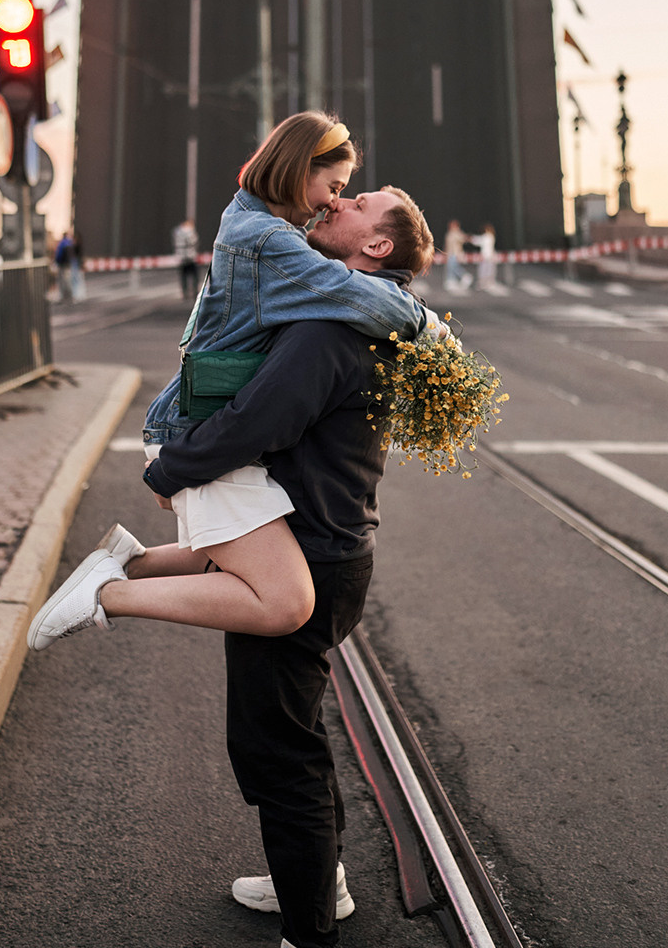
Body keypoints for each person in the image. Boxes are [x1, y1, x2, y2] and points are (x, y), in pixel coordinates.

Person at [56, 184, 438, 948]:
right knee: (287, 738)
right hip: (323, 551)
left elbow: (255, 421)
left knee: (282, 756)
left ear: (374, 249)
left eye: (360, 203)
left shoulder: (333, 328)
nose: (340, 200)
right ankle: (322, 880)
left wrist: (167, 471)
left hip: (309, 559)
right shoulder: (373, 314)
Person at [28, 112, 434, 651]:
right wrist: (429, 325)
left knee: (224, 549)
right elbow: (354, 294)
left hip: (192, 419)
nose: (334, 201)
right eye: (334, 187)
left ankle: (127, 560)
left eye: (346, 194)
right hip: (194, 426)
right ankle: (106, 596)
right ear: (297, 169)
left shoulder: (255, 221)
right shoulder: (268, 241)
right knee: (284, 601)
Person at [443, 218, 472, 294]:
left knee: (454, 268)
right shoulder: (449, 233)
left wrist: (469, 238)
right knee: (450, 268)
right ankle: (451, 281)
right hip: (450, 254)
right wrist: (445, 253)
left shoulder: (457, 232)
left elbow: (463, 238)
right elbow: (447, 245)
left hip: (455, 254)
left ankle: (465, 276)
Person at [172, 218, 199, 300]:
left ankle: (185, 292)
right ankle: (194, 292)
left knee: (183, 276)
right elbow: (194, 241)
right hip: (190, 257)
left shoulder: (177, 232)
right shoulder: (189, 232)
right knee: (194, 276)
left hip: (181, 258)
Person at [472, 222, 497, 288]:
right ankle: (489, 282)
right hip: (490, 255)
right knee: (489, 269)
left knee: (483, 270)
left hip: (485, 255)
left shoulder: (486, 236)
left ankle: (483, 283)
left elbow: (478, 241)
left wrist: (471, 238)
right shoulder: (491, 236)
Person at [53, 231, 74, 303]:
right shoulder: (70, 243)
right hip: (68, 264)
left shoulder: (62, 243)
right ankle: (70, 296)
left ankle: (64, 297)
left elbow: (59, 255)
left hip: (62, 265)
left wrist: (57, 262)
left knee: (63, 281)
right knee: (68, 280)